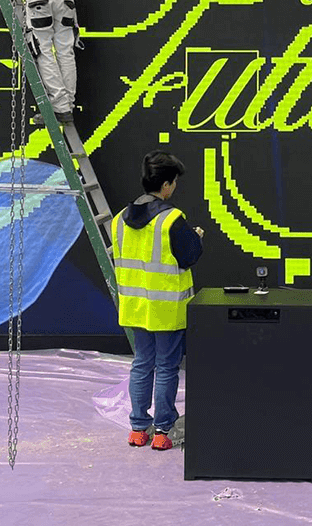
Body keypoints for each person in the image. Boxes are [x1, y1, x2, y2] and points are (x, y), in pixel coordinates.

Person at [113, 151, 204, 450]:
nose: (174, 187)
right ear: (166, 185)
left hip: (135, 306)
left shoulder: (119, 220)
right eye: (174, 182)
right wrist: (197, 237)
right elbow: (189, 256)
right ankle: (163, 431)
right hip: (166, 309)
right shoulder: (171, 219)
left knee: (142, 364)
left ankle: (138, 429)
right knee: (166, 367)